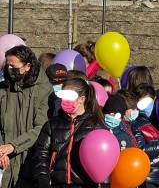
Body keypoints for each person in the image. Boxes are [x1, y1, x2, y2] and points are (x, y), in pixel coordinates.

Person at [33, 77, 105, 188]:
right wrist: (43, 178)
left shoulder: (96, 126)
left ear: (82, 99)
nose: (65, 101)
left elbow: (103, 158)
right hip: (56, 184)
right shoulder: (52, 124)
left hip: (85, 184)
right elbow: (41, 154)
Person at [0, 45, 51, 188]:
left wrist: (13, 146)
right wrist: (2, 151)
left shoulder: (43, 90)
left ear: (27, 66)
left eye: (14, 66)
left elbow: (41, 127)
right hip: (5, 164)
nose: (10, 70)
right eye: (8, 66)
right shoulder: (3, 89)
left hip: (30, 161)